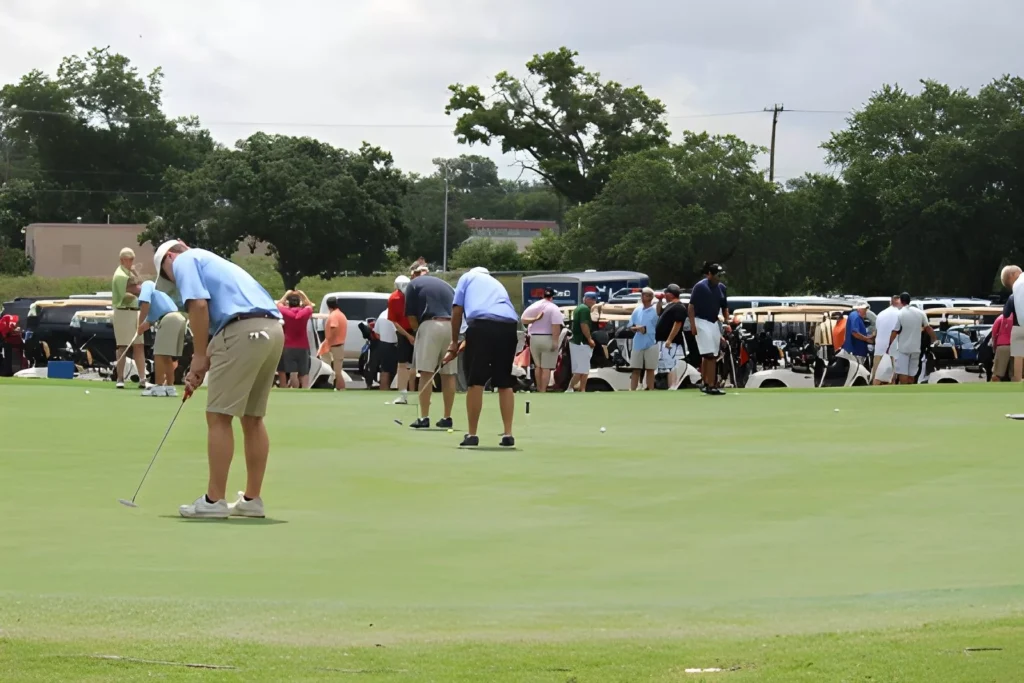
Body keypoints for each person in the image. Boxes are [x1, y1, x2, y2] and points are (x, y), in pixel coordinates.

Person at [153, 239, 284, 519]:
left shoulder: (184, 260)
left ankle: (214, 501)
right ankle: (252, 500)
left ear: (169, 258)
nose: (173, 282)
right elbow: (222, 325)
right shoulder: (217, 263)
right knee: (252, 418)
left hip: (243, 331)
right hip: (272, 330)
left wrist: (199, 355)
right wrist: (203, 361)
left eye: (168, 276)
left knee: (218, 416)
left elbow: (199, 307)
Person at [443, 267, 519, 448]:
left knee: (475, 381)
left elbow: (457, 311)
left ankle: (472, 434)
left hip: (481, 326)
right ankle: (508, 435)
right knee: (504, 381)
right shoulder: (496, 283)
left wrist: (454, 342)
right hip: (509, 326)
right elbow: (493, 316)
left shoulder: (467, 278)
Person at [405, 273, 458, 429]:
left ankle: (424, 417)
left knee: (426, 372)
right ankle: (447, 417)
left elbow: (411, 317)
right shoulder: (446, 285)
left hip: (431, 325)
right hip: (452, 325)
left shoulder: (412, 285)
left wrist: (418, 331)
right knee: (448, 374)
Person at [137, 280, 187, 397]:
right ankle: (170, 387)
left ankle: (159, 387)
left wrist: (139, 324)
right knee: (167, 356)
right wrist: (142, 327)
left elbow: (145, 303)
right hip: (179, 318)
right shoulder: (158, 293)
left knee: (159, 354)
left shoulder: (147, 285)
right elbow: (150, 321)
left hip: (169, 319)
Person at [688, 263, 729, 395]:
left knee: (711, 354)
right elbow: (691, 307)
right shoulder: (700, 287)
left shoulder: (722, 288)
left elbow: (724, 307)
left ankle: (705, 382)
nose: (719, 278)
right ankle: (711, 385)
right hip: (701, 321)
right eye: (717, 275)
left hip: (713, 322)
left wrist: (726, 322)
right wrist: (693, 326)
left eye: (720, 275)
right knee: (710, 355)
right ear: (709, 274)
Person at [112, 247, 148, 390]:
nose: (131, 262)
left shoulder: (128, 272)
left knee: (139, 345)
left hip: (135, 311)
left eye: (132, 259)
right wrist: (142, 288)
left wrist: (136, 274)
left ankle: (142, 378)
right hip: (123, 312)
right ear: (122, 260)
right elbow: (133, 290)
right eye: (129, 259)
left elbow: (138, 284)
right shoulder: (120, 275)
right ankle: (120, 378)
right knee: (123, 346)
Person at [520, 287, 564, 393]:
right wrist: (555, 341)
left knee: (538, 366)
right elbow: (555, 326)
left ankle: (539, 388)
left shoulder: (535, 306)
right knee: (546, 367)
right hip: (548, 337)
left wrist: (535, 320)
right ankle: (543, 390)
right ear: (552, 297)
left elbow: (523, 319)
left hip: (534, 338)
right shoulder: (554, 308)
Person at [887, 293, 936, 384]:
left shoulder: (900, 313)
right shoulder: (920, 313)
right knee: (912, 373)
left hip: (903, 349)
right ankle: (911, 390)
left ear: (901, 301)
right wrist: (935, 339)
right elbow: (928, 328)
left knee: (903, 372)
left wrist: (889, 345)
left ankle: (904, 392)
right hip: (916, 348)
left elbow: (895, 331)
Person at [276, 290, 313, 389]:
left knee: (288, 372)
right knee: (304, 372)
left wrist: (287, 294)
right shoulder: (304, 312)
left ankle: (288, 389)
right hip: (303, 345)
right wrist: (302, 294)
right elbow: (309, 305)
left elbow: (278, 304)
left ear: (288, 303)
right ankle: (305, 389)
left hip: (287, 345)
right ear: (299, 303)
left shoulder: (285, 312)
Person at [389, 275, 416, 404]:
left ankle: (423, 394)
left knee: (420, 364)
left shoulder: (415, 295)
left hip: (417, 330)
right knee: (402, 364)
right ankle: (403, 394)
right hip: (404, 332)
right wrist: (408, 336)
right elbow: (395, 322)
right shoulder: (394, 298)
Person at [655, 284, 688, 388]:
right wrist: (660, 301)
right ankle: (668, 385)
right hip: (663, 341)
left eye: (666, 293)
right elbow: (658, 311)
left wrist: (669, 339)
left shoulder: (679, 306)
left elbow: (677, 323)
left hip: (671, 342)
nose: (664, 295)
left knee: (672, 365)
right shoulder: (669, 306)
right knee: (665, 365)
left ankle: (673, 386)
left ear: (670, 294)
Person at [628, 287, 659, 390]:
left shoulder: (655, 310)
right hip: (638, 342)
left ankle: (650, 389)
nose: (642, 297)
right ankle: (633, 390)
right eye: (642, 295)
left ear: (650, 297)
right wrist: (636, 328)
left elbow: (657, 325)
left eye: (644, 295)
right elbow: (631, 326)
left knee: (650, 369)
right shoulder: (637, 310)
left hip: (652, 342)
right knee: (635, 368)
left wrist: (646, 329)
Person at [568, 292, 598, 393]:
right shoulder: (585, 309)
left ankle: (582, 389)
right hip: (581, 342)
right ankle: (570, 388)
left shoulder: (579, 308)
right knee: (582, 369)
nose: (593, 301)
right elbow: (584, 325)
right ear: (586, 299)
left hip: (576, 342)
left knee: (583, 369)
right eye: (592, 299)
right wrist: (589, 339)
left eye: (594, 299)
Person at [317, 296, 348, 390]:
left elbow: (333, 327)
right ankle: (339, 387)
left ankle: (337, 386)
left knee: (335, 370)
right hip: (339, 345)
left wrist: (328, 341)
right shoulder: (340, 314)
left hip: (334, 345)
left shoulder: (334, 315)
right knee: (337, 370)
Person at [871, 295, 902, 385]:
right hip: (893, 348)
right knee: (891, 377)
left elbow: (876, 331)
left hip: (879, 347)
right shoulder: (899, 314)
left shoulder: (881, 314)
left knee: (877, 374)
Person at [1000, 265, 1024, 382]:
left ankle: (1018, 379)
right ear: (1012, 275)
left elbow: (1005, 313)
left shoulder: (1013, 295)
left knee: (1018, 355)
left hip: (1018, 325)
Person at [842, 301, 874, 366]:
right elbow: (855, 333)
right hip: (856, 351)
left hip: (857, 351)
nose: (866, 311)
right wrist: (867, 339)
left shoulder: (856, 316)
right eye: (865, 309)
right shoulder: (855, 317)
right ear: (859, 308)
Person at [374, 308, 399, 390]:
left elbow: (376, 333)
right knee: (400, 369)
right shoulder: (394, 316)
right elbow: (398, 331)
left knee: (384, 370)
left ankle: (383, 390)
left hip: (383, 344)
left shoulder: (382, 314)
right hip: (394, 344)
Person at [991, 311, 1012, 382]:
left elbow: (994, 333)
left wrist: (994, 348)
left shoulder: (1001, 317)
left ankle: (995, 391)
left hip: (1003, 346)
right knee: (1015, 374)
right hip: (1018, 346)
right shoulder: (1019, 318)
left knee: (997, 374)